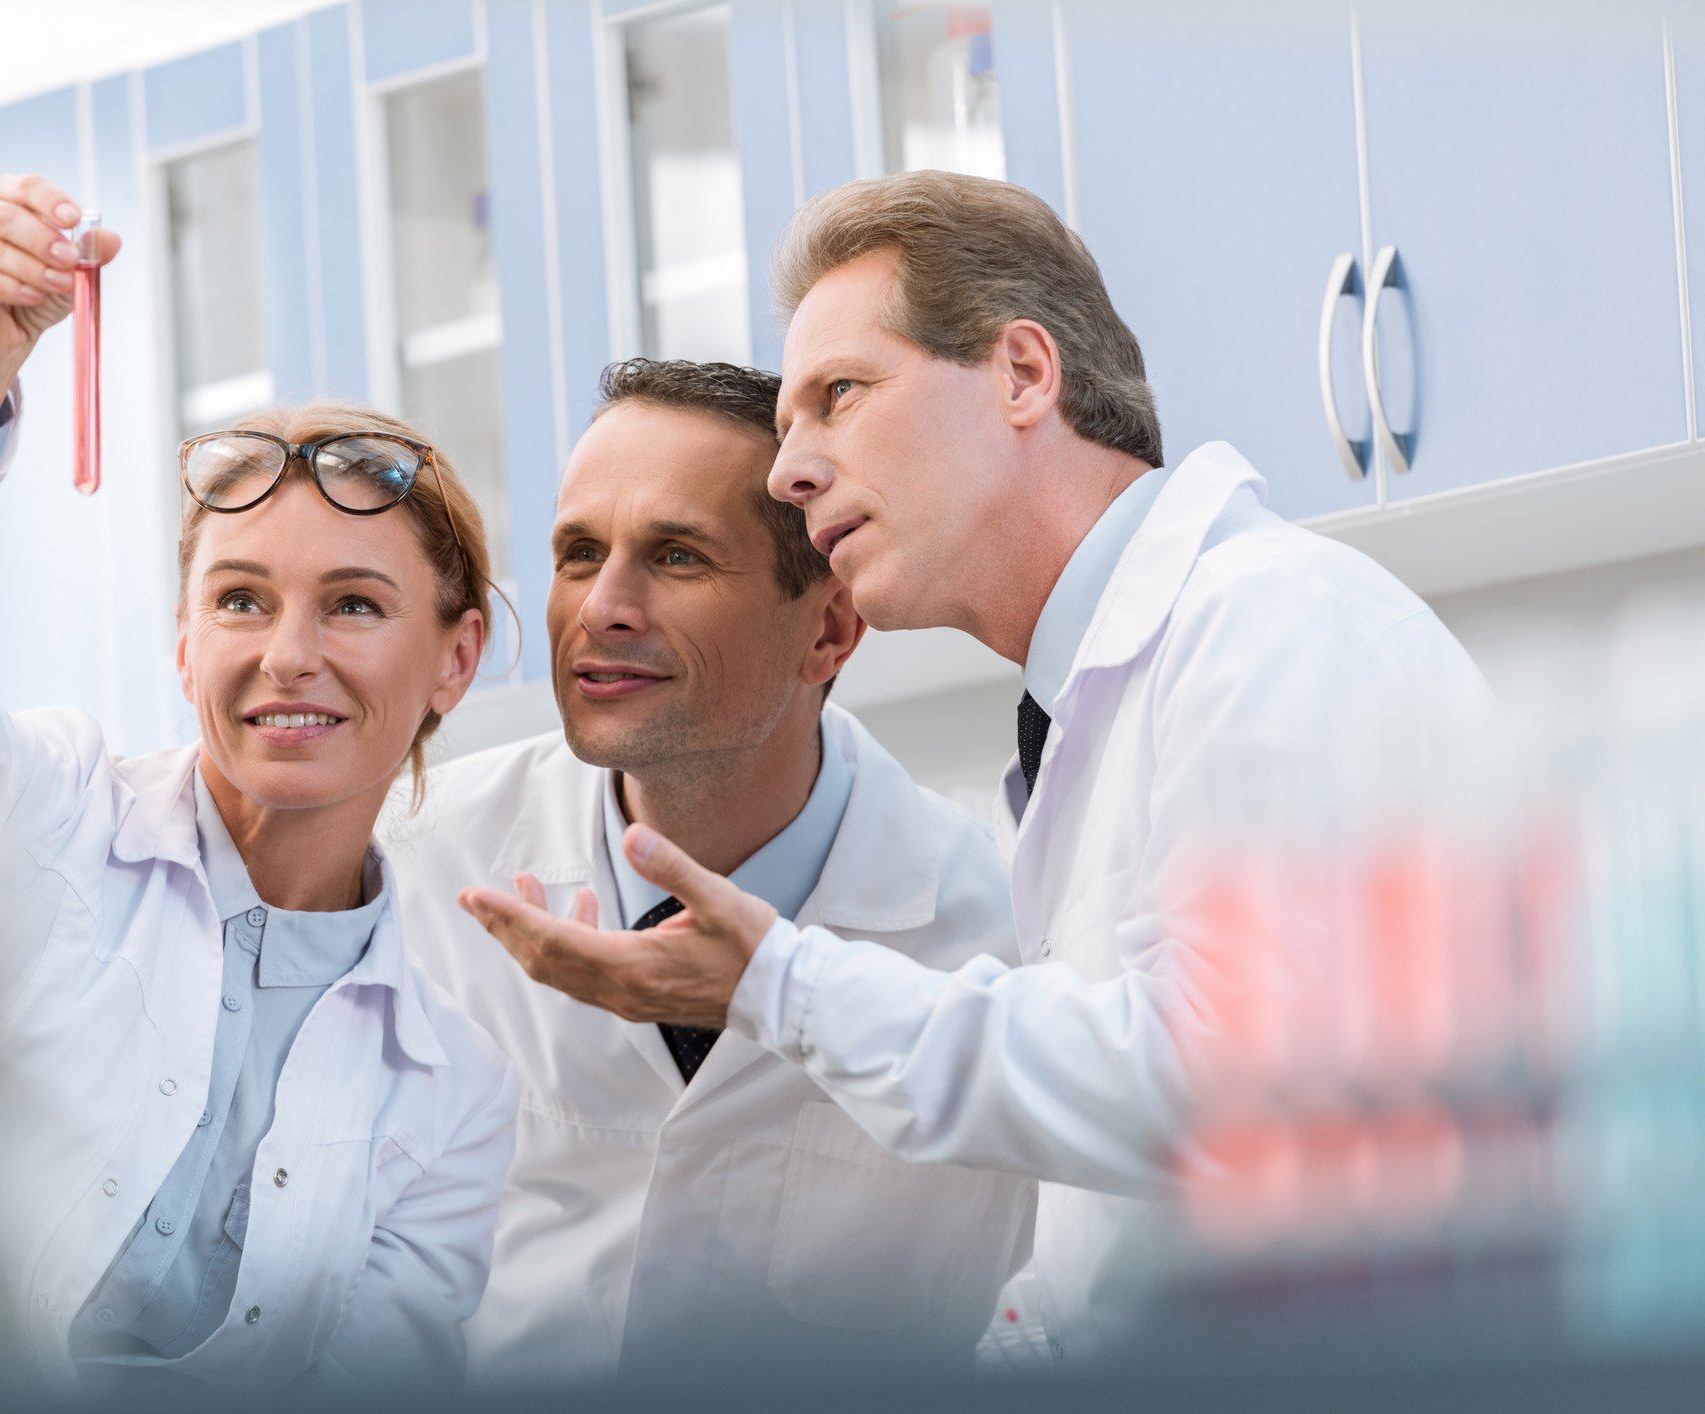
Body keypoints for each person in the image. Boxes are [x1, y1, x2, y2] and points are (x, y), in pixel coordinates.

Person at [457, 172, 1494, 1361]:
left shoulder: (1273, 627)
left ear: (1020, 374)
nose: (789, 472)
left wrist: (779, 985)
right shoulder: (1094, 708)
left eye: (836, 396)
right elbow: (1132, 1204)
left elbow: (1233, 1093)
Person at [0, 173, 516, 1403]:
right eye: (240, 600)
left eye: (354, 604)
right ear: (180, 642)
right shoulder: (45, 814)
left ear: (455, 657)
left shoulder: (453, 1090)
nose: (288, 652)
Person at [386, 358, 1035, 1385]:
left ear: (826, 629)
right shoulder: (422, 864)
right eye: (576, 551)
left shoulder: (986, 933)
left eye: (676, 556)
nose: (601, 606)